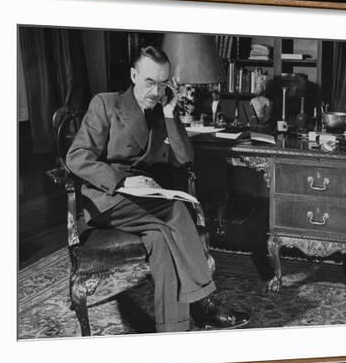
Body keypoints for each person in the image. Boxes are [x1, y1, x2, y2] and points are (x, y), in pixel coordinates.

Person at [66, 46, 249, 333]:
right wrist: (123, 181)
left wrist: (168, 114)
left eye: (163, 83)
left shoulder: (162, 111)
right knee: (176, 211)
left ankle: (172, 331)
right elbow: (77, 156)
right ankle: (204, 302)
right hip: (108, 198)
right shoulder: (106, 104)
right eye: (149, 82)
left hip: (147, 199)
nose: (155, 90)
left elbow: (185, 158)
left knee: (161, 239)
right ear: (133, 75)